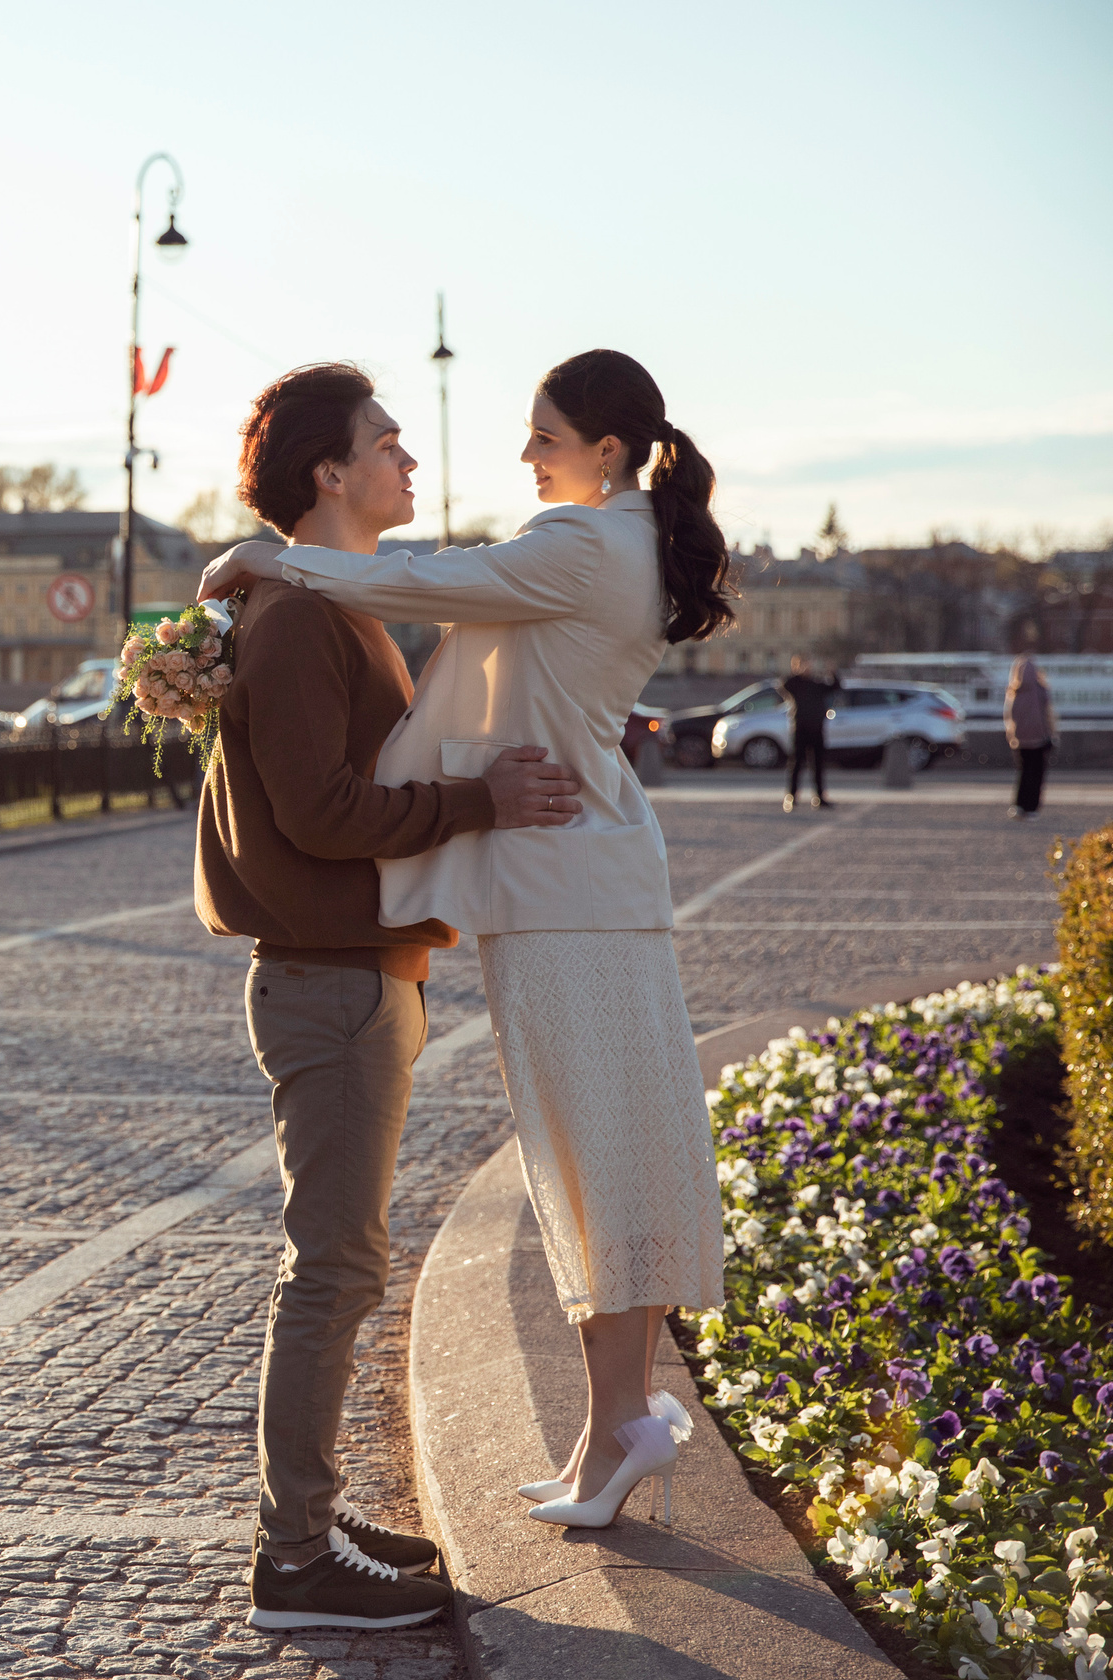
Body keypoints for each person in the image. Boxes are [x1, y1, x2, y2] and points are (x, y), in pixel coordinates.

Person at [203, 348, 732, 1538]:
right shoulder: (615, 536)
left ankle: (621, 1424)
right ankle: (613, 1426)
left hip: (564, 886)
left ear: (604, 450)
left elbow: (433, 578)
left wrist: (271, 560)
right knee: (608, 1152)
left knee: (599, 1156)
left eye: (542, 437)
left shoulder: (588, 543)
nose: (523, 456)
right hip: (581, 878)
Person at [198, 364, 583, 1631]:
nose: (409, 463)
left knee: (339, 1262)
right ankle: (294, 1562)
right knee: (335, 1267)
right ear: (328, 472)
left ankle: (304, 1520)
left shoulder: (325, 601)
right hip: (335, 980)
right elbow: (321, 810)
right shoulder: (307, 617)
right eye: (387, 442)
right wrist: (481, 803)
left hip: (357, 973)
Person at [779, 654, 840, 810]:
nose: (808, 668)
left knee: (818, 764)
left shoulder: (816, 684)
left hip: (816, 728)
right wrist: (797, 670)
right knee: (796, 764)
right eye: (804, 665)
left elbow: (835, 687)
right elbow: (784, 685)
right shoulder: (796, 683)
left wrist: (832, 672)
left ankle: (819, 797)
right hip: (800, 728)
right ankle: (792, 796)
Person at [1007, 654, 1055, 819]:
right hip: (1039, 738)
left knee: (1023, 773)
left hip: (1020, 740)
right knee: (1036, 774)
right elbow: (1048, 714)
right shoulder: (1040, 690)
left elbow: (1010, 715)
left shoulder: (1014, 690)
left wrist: (1012, 735)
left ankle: (1020, 805)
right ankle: (1032, 807)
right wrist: (1051, 733)